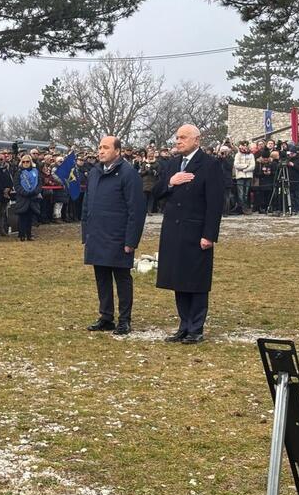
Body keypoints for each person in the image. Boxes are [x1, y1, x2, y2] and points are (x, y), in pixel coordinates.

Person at [153, 124, 224, 344]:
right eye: (177, 138)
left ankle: (196, 327)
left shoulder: (210, 165)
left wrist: (209, 235)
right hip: (173, 230)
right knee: (178, 278)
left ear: (196, 140)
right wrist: (169, 182)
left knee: (196, 280)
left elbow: (215, 203)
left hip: (196, 231)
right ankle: (183, 325)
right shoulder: (173, 164)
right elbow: (155, 193)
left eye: (183, 137)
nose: (178, 141)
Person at [82, 136, 146, 335]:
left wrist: (131, 240)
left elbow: (136, 210)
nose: (100, 151)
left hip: (118, 236)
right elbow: (87, 204)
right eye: (99, 147)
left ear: (117, 151)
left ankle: (124, 319)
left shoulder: (128, 174)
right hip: (97, 235)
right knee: (101, 277)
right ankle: (106, 316)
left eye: (105, 148)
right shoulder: (94, 173)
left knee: (122, 278)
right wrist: (86, 232)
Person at [14, 154, 41, 241]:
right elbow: (17, 185)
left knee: (30, 218)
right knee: (22, 218)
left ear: (30, 162)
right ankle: (21, 235)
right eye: (24, 162)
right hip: (22, 198)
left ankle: (29, 235)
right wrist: (25, 193)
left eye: (27, 161)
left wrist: (35, 191)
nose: (25, 163)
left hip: (33, 198)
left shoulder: (35, 172)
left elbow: (39, 184)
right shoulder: (18, 173)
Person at [233, 140, 255, 214]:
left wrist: (245, 170)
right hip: (240, 176)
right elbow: (236, 165)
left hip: (248, 176)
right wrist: (245, 166)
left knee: (246, 193)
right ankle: (241, 207)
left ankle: (245, 207)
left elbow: (253, 166)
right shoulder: (238, 155)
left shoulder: (251, 155)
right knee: (241, 193)